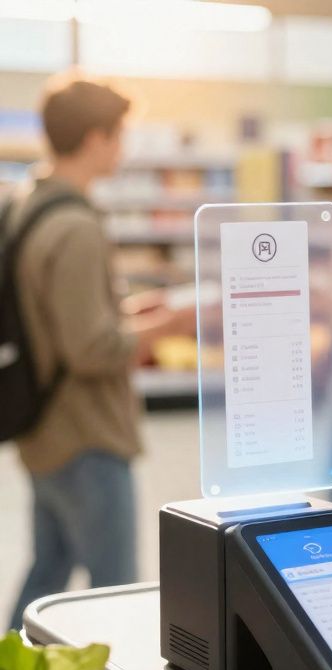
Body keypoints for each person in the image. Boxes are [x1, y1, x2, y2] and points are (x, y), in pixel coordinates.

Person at [5, 78, 191, 631]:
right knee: (117, 589)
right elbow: (92, 349)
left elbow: (60, 322)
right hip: (87, 435)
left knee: (47, 571)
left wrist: (135, 310)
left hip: (42, 426)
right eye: (119, 135)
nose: (123, 147)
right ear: (94, 139)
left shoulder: (28, 204)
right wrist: (175, 322)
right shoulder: (77, 225)